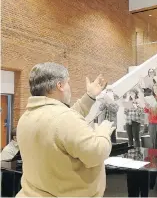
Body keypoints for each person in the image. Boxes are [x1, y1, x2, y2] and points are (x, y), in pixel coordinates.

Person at [16, 62, 113, 197]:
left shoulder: (27, 117)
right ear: (60, 85)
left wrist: (90, 96)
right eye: (68, 83)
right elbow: (96, 153)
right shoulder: (64, 118)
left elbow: (61, 123)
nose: (69, 88)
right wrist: (103, 132)